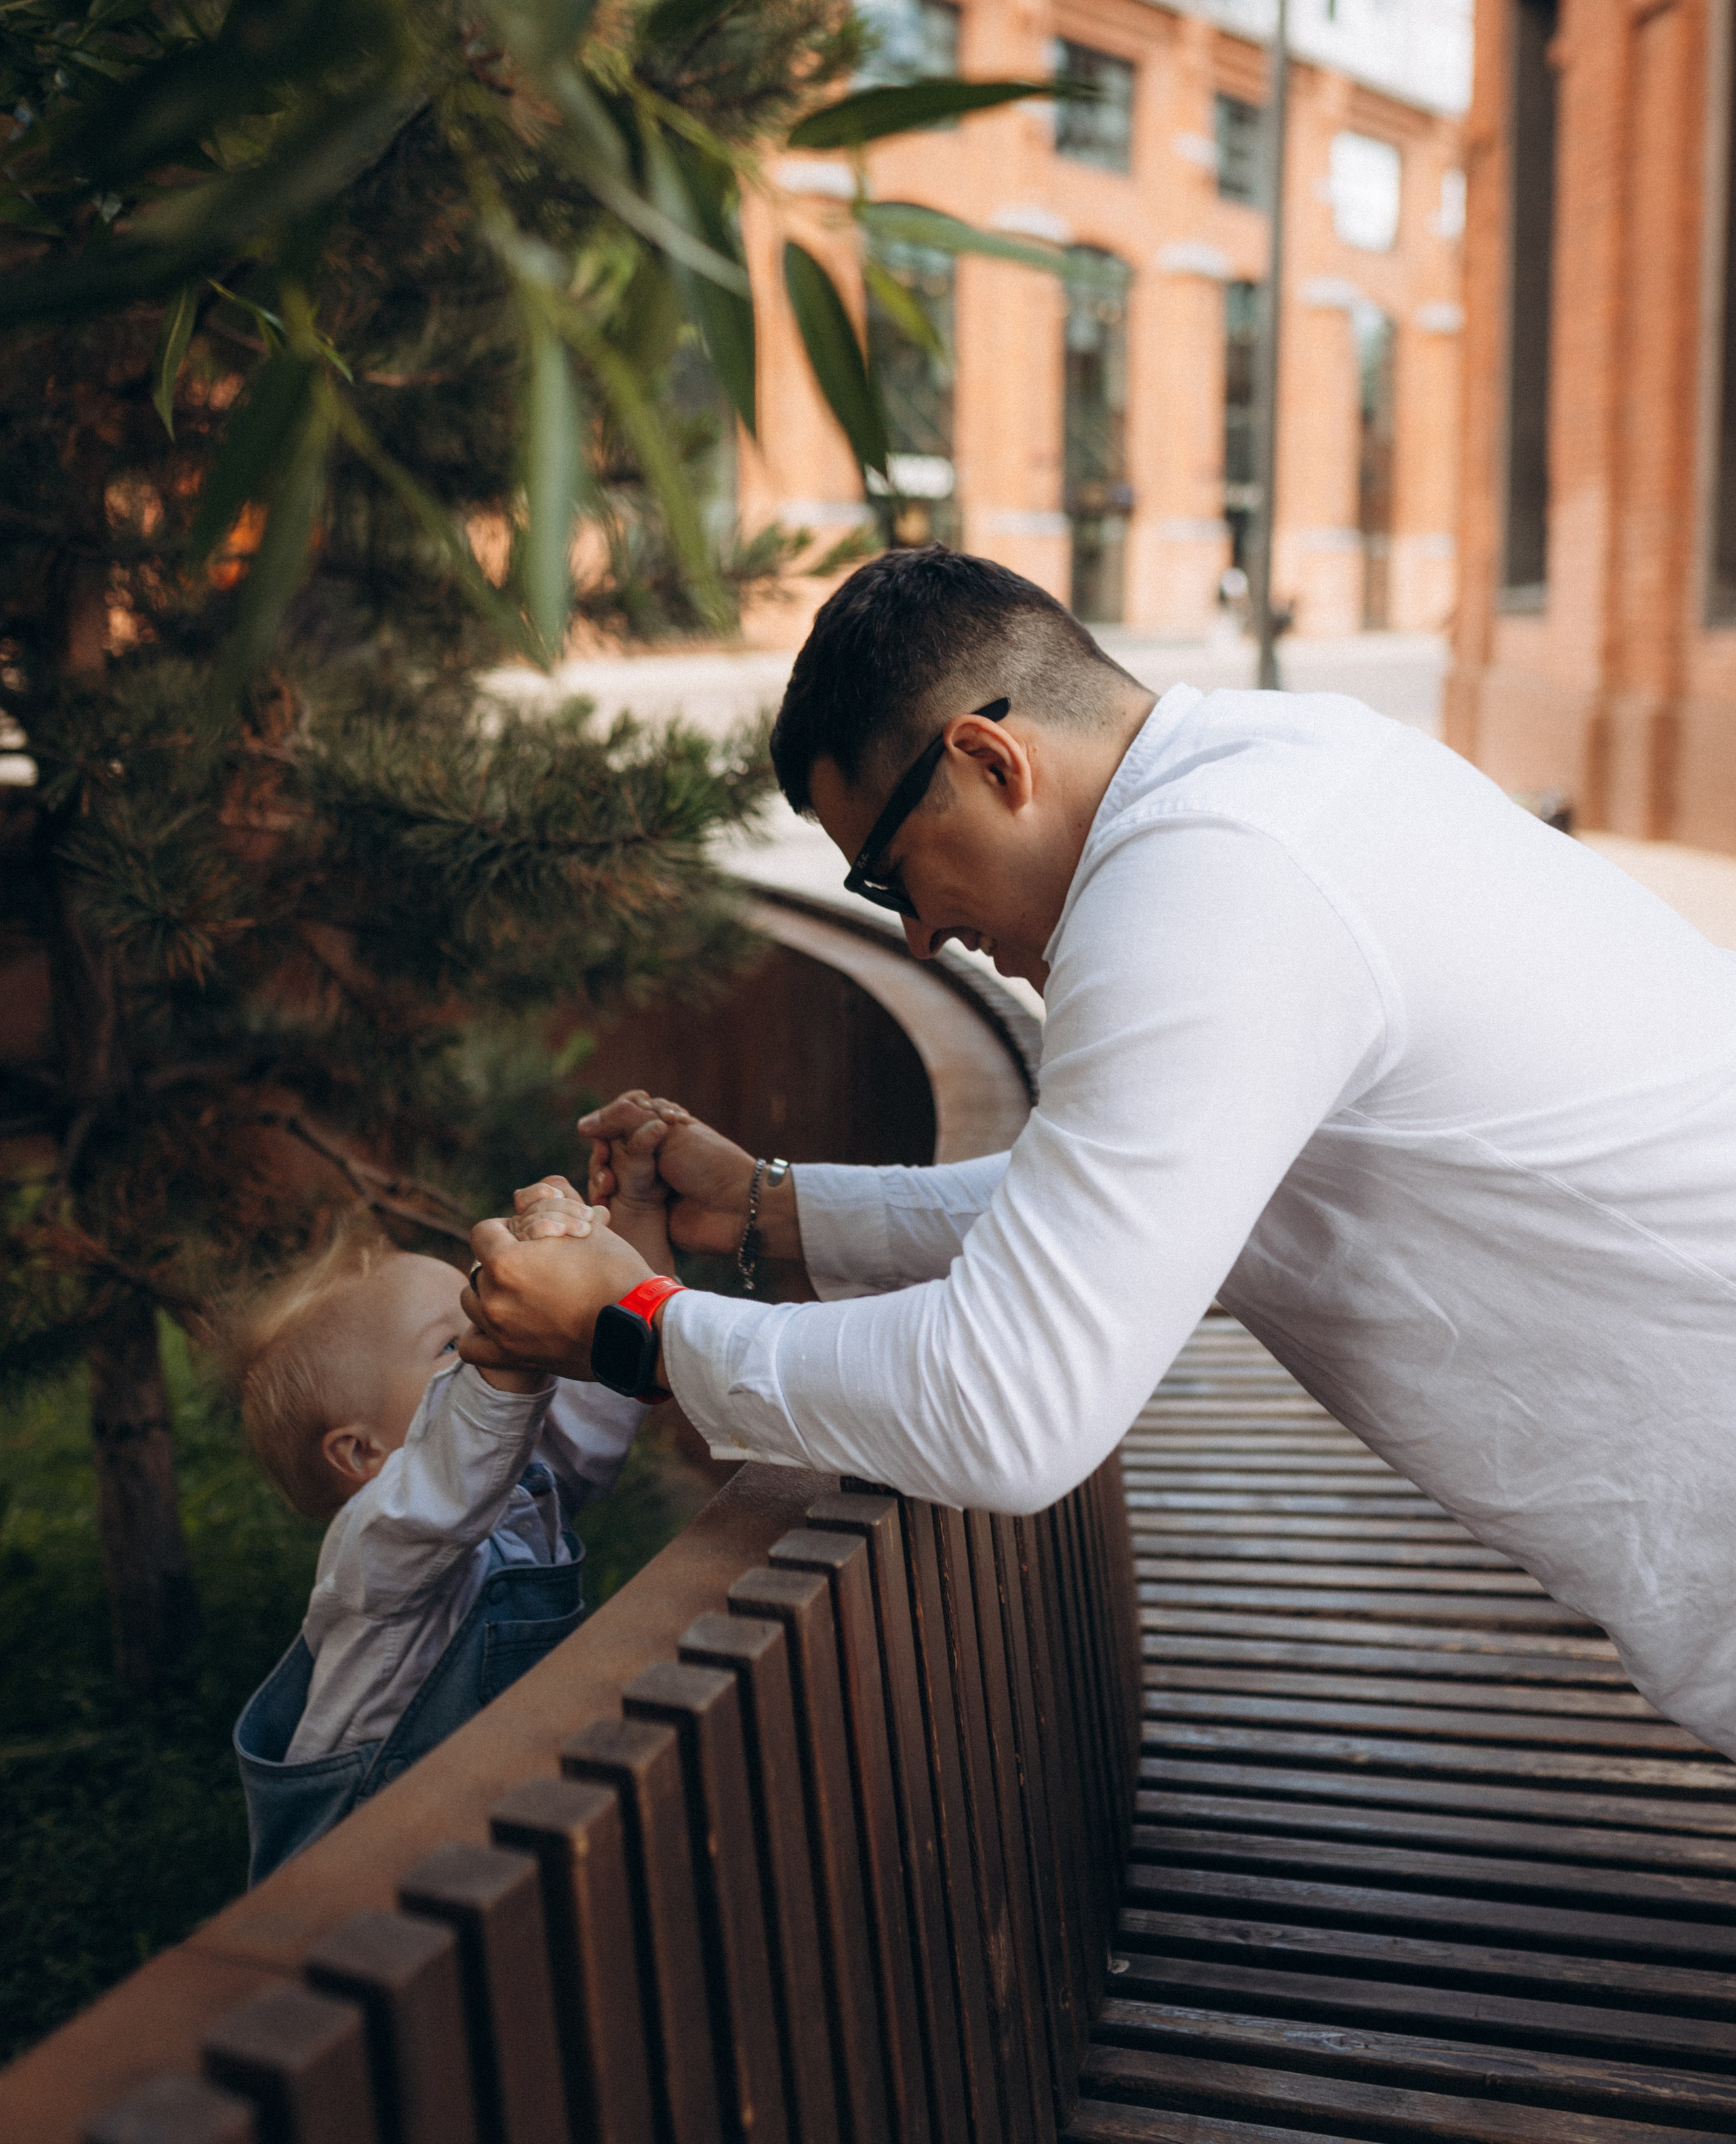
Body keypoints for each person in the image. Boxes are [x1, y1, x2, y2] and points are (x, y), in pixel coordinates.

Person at [460, 547, 1736, 1755]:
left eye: (893, 878)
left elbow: (1010, 1407)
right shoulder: (1268, 780)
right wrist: (772, 1210)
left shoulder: (1203, 885)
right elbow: (1124, 1202)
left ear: (989, 759)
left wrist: (629, 1328)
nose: (918, 940)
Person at [229, 1115, 672, 1881]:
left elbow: (598, 1419)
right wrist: (516, 1349)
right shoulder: (376, 1549)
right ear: (362, 1454)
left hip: (487, 1850)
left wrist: (628, 1230)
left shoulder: (509, 1487)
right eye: (452, 1340)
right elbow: (449, 1484)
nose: (486, 1335)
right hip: (363, 1882)